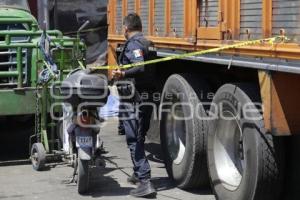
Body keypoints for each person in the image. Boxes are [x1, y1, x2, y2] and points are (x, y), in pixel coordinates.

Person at [112, 13, 157, 197]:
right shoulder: (148, 42)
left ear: (126, 28)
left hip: (135, 98)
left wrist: (122, 74)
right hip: (146, 96)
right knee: (139, 135)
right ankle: (138, 173)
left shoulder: (134, 44)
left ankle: (145, 181)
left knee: (134, 139)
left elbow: (139, 66)